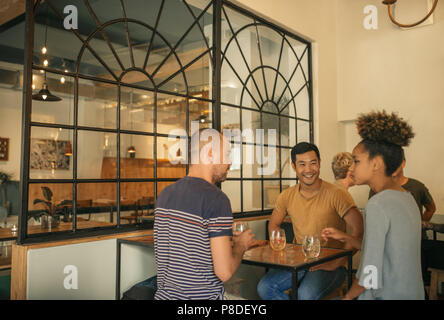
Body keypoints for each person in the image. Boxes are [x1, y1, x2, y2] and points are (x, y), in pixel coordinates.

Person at [323, 110, 424, 300]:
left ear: (376, 163)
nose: (351, 168)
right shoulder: (407, 198)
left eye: (356, 161)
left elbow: (370, 270)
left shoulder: (378, 204)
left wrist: (347, 297)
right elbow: (388, 250)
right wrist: (345, 237)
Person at [154, 128, 255, 300]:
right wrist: (241, 245)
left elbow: (187, 245)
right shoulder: (217, 200)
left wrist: (221, 234)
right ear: (209, 153)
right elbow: (224, 273)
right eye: (227, 154)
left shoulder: (165, 193)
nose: (230, 162)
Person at [257, 142, 364, 300]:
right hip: (299, 262)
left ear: (319, 163)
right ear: (294, 166)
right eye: (302, 164)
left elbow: (359, 230)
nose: (308, 170)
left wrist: (338, 262)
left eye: (313, 163)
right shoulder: (286, 196)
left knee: (305, 295)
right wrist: (281, 249)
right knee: (265, 287)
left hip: (332, 265)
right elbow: (274, 224)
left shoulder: (337, 194)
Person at [368, 149, 436, 240]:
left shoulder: (417, 186)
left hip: (416, 241)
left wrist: (419, 226)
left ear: (403, 163)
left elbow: (431, 208)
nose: (392, 166)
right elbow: (373, 216)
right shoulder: (376, 188)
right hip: (389, 240)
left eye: (395, 162)